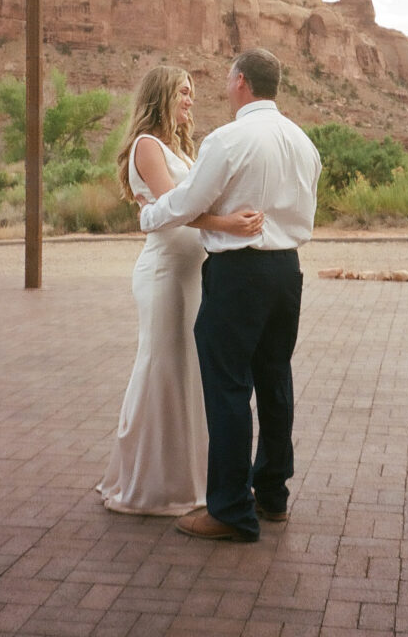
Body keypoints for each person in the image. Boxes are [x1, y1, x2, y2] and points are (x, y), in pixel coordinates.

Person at [140, 48, 322, 542]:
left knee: (227, 387)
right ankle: (273, 497)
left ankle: (229, 511)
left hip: (239, 273)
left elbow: (188, 202)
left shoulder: (228, 139)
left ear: (241, 81)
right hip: (287, 271)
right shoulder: (304, 142)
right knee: (275, 379)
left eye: (226, 79)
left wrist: (149, 215)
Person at [98, 65, 264, 516]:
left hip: (191, 274)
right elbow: (173, 208)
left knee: (185, 369)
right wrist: (226, 223)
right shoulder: (147, 146)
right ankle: (154, 485)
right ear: (162, 96)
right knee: (163, 367)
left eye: (192, 92)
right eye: (183, 93)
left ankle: (187, 477)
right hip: (166, 273)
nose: (191, 100)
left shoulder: (180, 149)